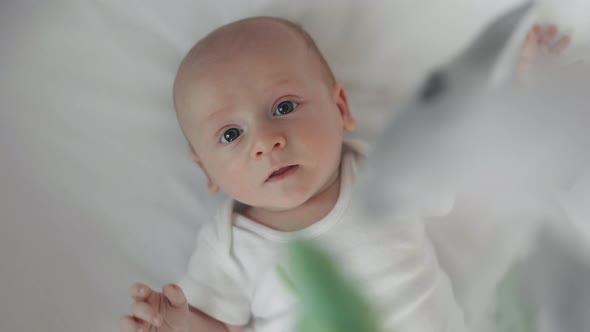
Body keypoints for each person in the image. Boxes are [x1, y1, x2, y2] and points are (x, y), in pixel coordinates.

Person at [118, 17, 570, 332]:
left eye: (284, 107)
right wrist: (179, 324)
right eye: (231, 134)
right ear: (207, 171)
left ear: (340, 108)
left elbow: (470, 158)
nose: (266, 141)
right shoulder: (231, 246)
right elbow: (221, 326)